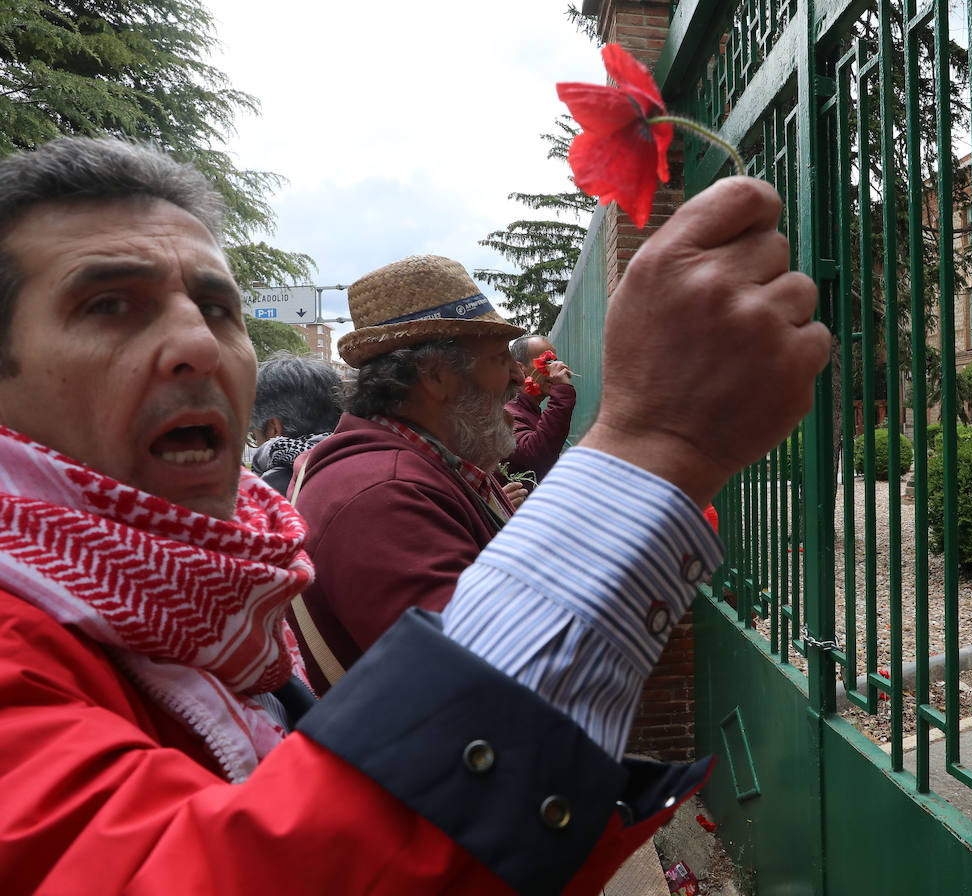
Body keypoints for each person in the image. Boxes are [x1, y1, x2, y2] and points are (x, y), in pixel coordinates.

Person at [0, 136, 828, 894]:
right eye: (110, 304)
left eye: (219, 310)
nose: (200, 344)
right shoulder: (375, 494)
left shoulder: (231, 580)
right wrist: (657, 446)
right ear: (434, 380)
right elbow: (468, 740)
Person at [288, 255, 535, 693]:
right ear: (436, 376)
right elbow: (490, 688)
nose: (519, 376)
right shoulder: (382, 495)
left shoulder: (421, 467)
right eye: (500, 358)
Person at [248, 353, 343, 493]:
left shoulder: (264, 495)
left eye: (255, 437)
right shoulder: (365, 463)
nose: (257, 445)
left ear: (275, 430)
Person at [504, 333, 576, 487]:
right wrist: (562, 393)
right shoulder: (507, 412)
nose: (558, 367)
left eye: (556, 361)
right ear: (520, 369)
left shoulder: (529, 410)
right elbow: (535, 454)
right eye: (547, 361)